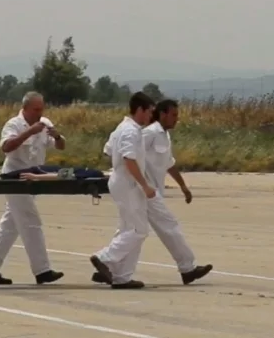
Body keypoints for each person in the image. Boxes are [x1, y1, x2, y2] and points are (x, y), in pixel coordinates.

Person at [90, 98, 212, 286]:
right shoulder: (145, 133)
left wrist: (183, 186)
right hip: (142, 188)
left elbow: (167, 163)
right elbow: (126, 156)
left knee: (132, 229)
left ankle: (119, 275)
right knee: (149, 228)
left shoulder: (159, 134)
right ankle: (107, 260)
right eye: (173, 115)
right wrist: (140, 181)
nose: (176, 119)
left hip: (144, 188)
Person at [0, 91, 66, 285]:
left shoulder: (45, 123)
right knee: (31, 221)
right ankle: (42, 270)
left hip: (33, 177)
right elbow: (6, 147)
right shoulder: (13, 124)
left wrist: (57, 135)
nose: (39, 113)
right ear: (25, 108)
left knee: (9, 226)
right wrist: (29, 132)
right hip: (14, 178)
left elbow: (61, 146)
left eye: (42, 109)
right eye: (36, 109)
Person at [89, 92, 157, 289]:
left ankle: (123, 277)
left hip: (121, 181)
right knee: (139, 230)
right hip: (128, 184)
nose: (150, 117)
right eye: (149, 112)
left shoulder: (122, 128)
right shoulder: (131, 131)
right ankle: (105, 258)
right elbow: (129, 159)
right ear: (140, 110)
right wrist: (144, 184)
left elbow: (108, 150)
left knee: (129, 229)